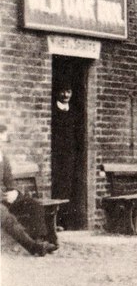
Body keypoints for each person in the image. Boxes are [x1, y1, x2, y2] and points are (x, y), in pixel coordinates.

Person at [1, 125, 58, 256]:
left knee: (33, 205)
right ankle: (33, 247)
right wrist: (3, 196)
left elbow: (9, 180)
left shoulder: (2, 157)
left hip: (5, 197)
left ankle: (39, 240)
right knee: (5, 216)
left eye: (2, 141)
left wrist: (14, 192)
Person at [51, 84, 83, 229]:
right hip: (56, 156)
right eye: (62, 91)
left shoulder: (74, 112)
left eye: (68, 91)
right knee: (57, 186)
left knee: (69, 188)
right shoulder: (52, 110)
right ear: (58, 92)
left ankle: (66, 222)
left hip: (70, 156)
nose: (65, 95)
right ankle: (56, 222)